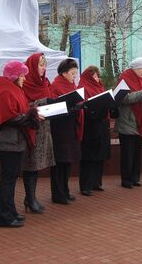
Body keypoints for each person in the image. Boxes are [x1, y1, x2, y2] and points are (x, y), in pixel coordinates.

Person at [0, 60, 41, 228]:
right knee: (7, 180)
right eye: (22, 75)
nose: (24, 78)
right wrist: (31, 117)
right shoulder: (5, 90)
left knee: (10, 179)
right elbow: (9, 117)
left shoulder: (9, 87)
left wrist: (31, 112)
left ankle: (11, 212)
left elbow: (17, 110)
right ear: (15, 76)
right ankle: (4, 217)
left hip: (13, 141)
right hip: (8, 142)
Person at [20, 53, 55, 213]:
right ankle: (30, 198)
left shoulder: (44, 83)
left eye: (45, 65)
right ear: (32, 67)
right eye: (41, 65)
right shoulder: (25, 84)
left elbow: (51, 99)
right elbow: (22, 105)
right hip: (31, 129)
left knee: (37, 165)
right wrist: (41, 103)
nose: (43, 68)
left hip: (44, 128)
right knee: (31, 165)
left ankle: (31, 198)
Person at [48, 58, 83, 204]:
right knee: (59, 162)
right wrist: (72, 108)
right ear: (64, 73)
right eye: (72, 73)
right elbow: (54, 107)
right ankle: (58, 193)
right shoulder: (56, 86)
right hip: (60, 129)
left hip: (70, 128)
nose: (74, 76)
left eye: (75, 73)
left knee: (67, 162)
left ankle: (65, 190)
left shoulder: (71, 85)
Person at [115, 57, 142, 188]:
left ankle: (135, 178)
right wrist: (140, 94)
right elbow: (122, 98)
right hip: (127, 120)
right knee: (127, 153)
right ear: (137, 68)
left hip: (139, 121)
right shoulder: (124, 79)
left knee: (137, 152)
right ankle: (126, 179)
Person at [78, 66, 112, 195]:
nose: (97, 79)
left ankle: (96, 182)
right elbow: (83, 106)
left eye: (98, 76)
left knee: (100, 154)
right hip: (89, 126)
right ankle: (85, 185)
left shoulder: (100, 88)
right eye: (94, 76)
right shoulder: (83, 88)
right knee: (89, 156)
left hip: (102, 124)